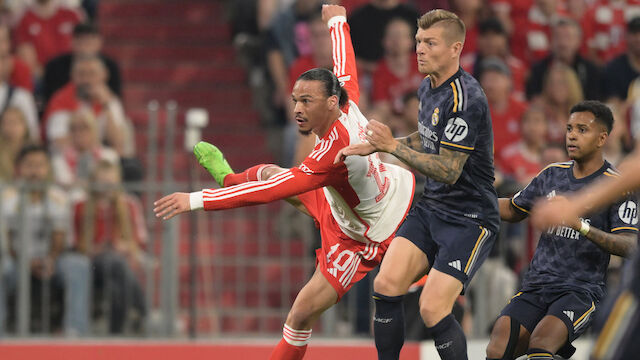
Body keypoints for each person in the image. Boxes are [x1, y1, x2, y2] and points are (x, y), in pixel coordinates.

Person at [154, 5, 414, 360]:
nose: (297, 110)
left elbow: (270, 194)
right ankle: (231, 177)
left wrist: (197, 200)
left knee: (299, 315)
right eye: (295, 100)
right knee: (268, 172)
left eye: (306, 101)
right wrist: (337, 20)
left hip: (366, 236)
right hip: (357, 204)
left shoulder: (331, 154)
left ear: (330, 102)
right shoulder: (347, 101)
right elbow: (344, 64)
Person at [337, 9, 499, 360]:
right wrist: (384, 143)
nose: (419, 50)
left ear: (455, 48)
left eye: (429, 43)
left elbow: (449, 169)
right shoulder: (428, 86)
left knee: (432, 308)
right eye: (417, 42)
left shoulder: (465, 99)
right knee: (386, 284)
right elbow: (428, 139)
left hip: (469, 217)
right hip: (433, 209)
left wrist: (392, 147)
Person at [485, 100, 639, 360]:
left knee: (541, 344)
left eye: (582, 129)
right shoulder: (551, 175)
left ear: (602, 138)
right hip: (537, 285)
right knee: (497, 348)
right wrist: (476, 202)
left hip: (580, 290)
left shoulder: (617, 186)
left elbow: (629, 245)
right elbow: (513, 209)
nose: (572, 135)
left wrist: (580, 225)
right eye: (569, 128)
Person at [531, 132, 640, 360]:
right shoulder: (553, 173)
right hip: (545, 284)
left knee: (607, 352)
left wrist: (575, 208)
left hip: (588, 286)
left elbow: (635, 169)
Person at [0, 144, 90, 336]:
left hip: (51, 261)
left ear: (47, 168)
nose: (34, 171)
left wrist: (49, 260)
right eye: (29, 165)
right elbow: (6, 241)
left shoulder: (58, 198)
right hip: (16, 261)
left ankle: (75, 330)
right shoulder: (7, 199)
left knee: (78, 265)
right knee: (2, 267)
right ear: (19, 169)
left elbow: (59, 237)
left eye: (40, 165)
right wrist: (25, 261)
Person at [43, 22, 122, 105]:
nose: (85, 49)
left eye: (89, 43)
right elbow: (50, 101)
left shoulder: (111, 66)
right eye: (81, 43)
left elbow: (116, 99)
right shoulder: (55, 67)